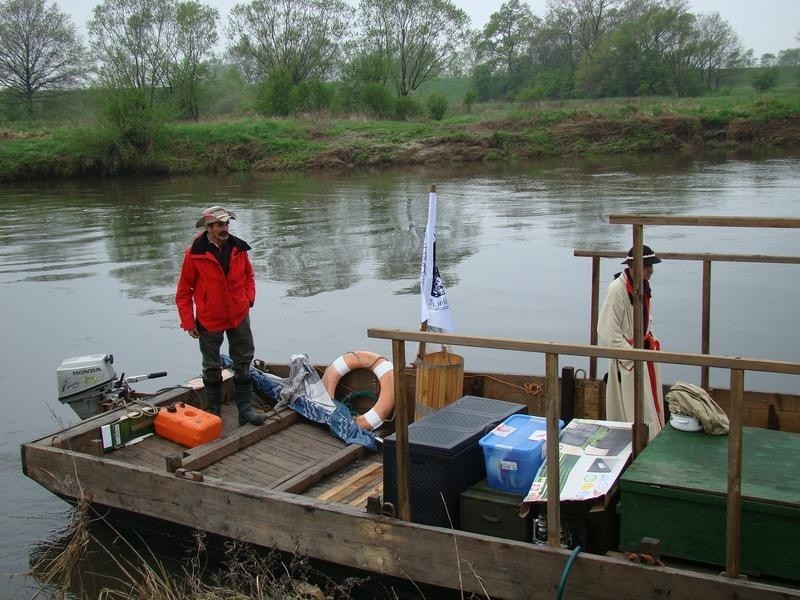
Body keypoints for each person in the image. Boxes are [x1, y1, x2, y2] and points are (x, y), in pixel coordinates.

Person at [175, 206, 266, 426]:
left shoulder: (238, 248)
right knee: (212, 366)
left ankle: (245, 410)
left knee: (243, 361)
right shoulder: (194, 253)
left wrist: (248, 299)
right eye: (218, 224)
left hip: (238, 314)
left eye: (226, 224)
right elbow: (183, 291)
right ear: (208, 228)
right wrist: (188, 322)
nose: (224, 228)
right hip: (209, 318)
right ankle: (214, 413)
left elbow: (249, 276)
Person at [597, 245, 665, 441]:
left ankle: (651, 439)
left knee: (649, 406)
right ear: (634, 266)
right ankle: (637, 445)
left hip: (643, 355)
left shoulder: (642, 286)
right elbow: (608, 333)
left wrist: (651, 340)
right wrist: (632, 356)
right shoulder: (617, 290)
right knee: (635, 410)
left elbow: (646, 319)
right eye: (647, 266)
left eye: (651, 265)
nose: (651, 270)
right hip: (629, 360)